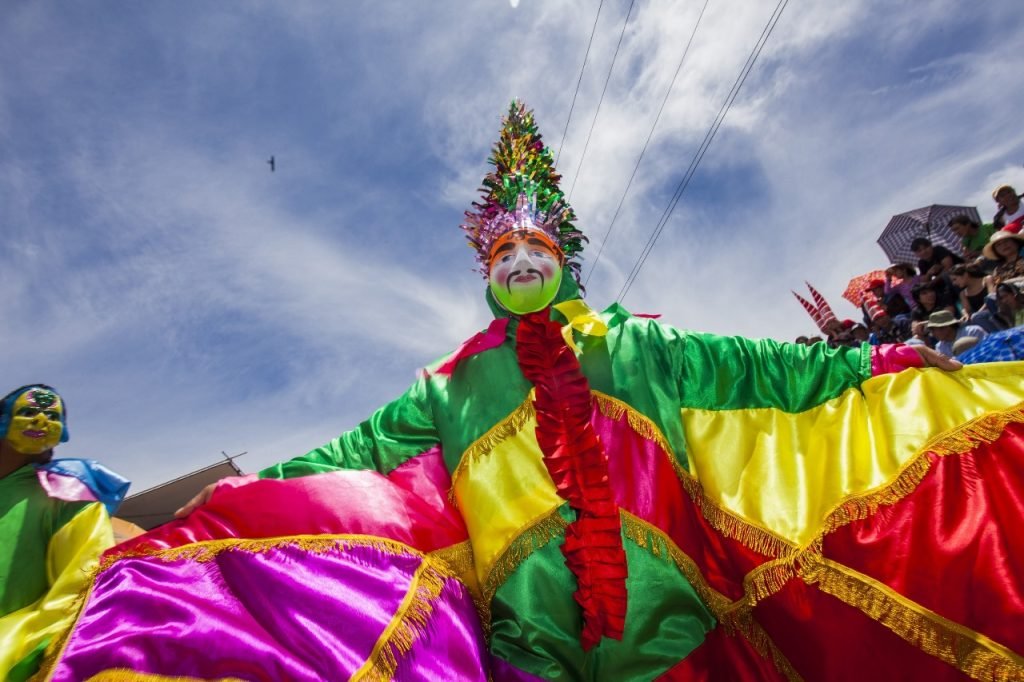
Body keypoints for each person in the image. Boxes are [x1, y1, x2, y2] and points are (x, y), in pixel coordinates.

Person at [48, 103, 1024, 681]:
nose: (520, 259)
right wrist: (233, 500)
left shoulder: (639, 343)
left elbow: (769, 367)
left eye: (538, 248)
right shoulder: (451, 380)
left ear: (563, 266)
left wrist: (881, 363)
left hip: (669, 607)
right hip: (525, 622)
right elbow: (351, 454)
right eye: (504, 249)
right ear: (485, 269)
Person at [0, 385, 129, 681]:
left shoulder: (70, 496)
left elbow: (83, 588)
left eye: (51, 416)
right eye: (28, 412)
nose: (40, 421)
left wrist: (18, 648)